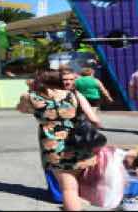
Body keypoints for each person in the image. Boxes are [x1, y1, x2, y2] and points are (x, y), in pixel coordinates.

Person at [17, 69, 101, 211]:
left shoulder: (30, 96)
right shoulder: (74, 94)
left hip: (53, 146)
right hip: (78, 143)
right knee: (73, 184)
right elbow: (94, 119)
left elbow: (21, 109)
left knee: (68, 188)